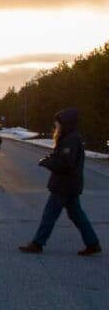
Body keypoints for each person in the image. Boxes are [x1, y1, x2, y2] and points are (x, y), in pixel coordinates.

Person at [20, 108, 101, 255]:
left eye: (58, 123)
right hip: (70, 185)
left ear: (66, 123)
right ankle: (93, 243)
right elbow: (61, 157)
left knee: (50, 214)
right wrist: (50, 159)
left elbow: (65, 163)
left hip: (64, 185)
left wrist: (47, 163)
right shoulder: (69, 138)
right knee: (76, 215)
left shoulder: (70, 139)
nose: (56, 125)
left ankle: (37, 243)